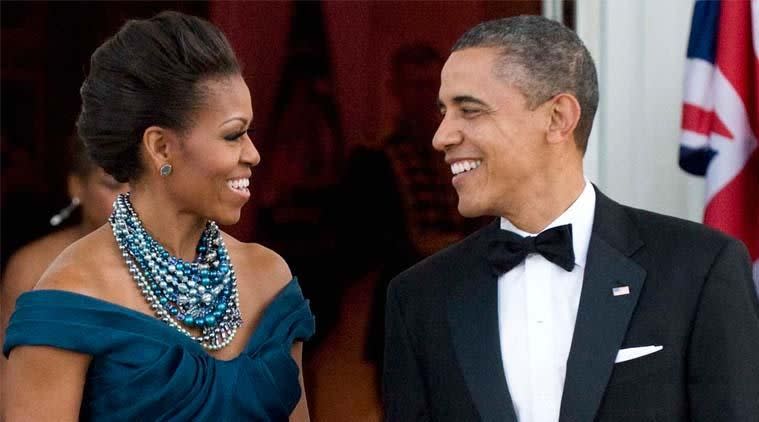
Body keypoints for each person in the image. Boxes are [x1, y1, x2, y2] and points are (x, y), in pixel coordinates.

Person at [383, 15, 759, 422]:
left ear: (558, 117)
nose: (442, 136)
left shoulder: (700, 268)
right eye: (444, 111)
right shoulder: (419, 297)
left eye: (469, 111)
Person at [3, 11, 314, 421]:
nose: (253, 154)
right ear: (161, 148)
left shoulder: (270, 277)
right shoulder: (71, 298)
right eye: (234, 134)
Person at [0, 135, 128, 410]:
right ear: (76, 186)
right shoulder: (33, 267)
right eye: (114, 184)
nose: (133, 199)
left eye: (144, 183)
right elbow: (6, 383)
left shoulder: (186, 265)